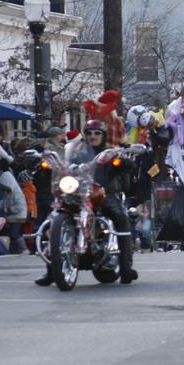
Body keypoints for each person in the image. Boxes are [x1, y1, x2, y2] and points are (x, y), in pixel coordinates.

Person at [36, 119, 138, 285]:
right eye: (89, 132)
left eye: (97, 133)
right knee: (53, 219)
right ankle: (51, 271)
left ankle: (126, 268)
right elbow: (63, 165)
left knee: (121, 217)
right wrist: (48, 167)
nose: (93, 136)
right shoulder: (76, 152)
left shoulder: (109, 152)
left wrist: (122, 162)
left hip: (103, 193)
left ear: (103, 135)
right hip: (77, 192)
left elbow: (127, 165)